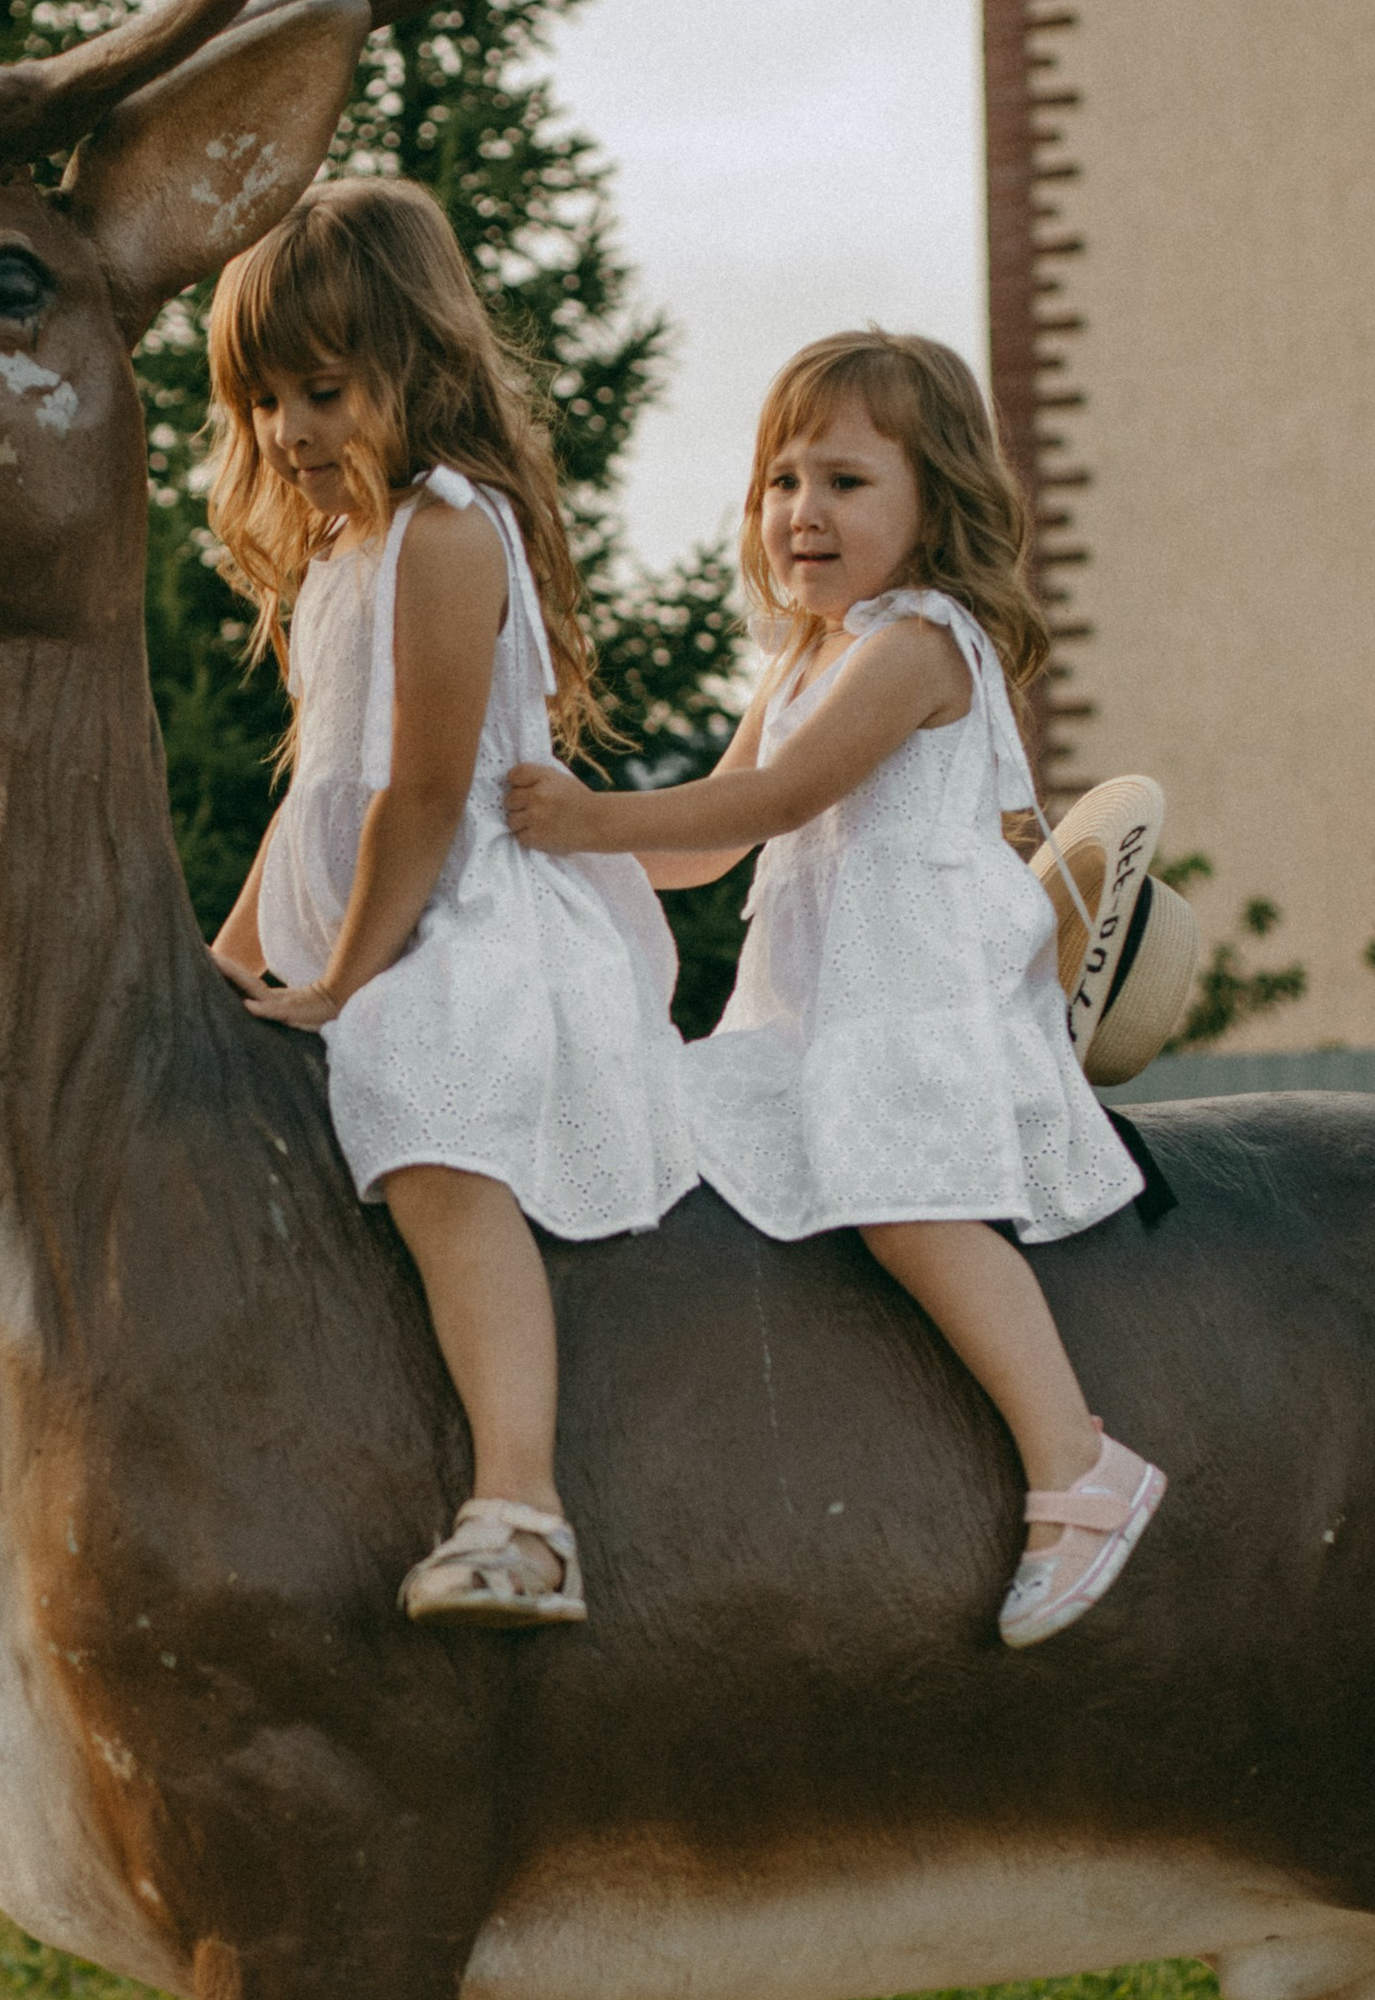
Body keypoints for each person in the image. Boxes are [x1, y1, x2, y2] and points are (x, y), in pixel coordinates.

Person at [506, 329, 1162, 1651]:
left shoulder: (920, 643)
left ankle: (1077, 1465)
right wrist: (552, 857)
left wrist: (584, 815)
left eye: (848, 482)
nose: (803, 510)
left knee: (909, 1205)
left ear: (937, 504)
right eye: (781, 481)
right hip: (814, 1016)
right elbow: (713, 844)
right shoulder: (806, 657)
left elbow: (782, 795)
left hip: (916, 1008)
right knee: (676, 1124)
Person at [206, 180, 699, 1628]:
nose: (291, 431)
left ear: (413, 366)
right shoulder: (344, 553)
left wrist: (347, 984)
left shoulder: (448, 533)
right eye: (265, 401)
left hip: (474, 928)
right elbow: (320, 803)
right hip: (372, 911)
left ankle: (525, 1510)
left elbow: (424, 797)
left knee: (429, 1119)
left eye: (324, 389)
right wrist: (229, 962)